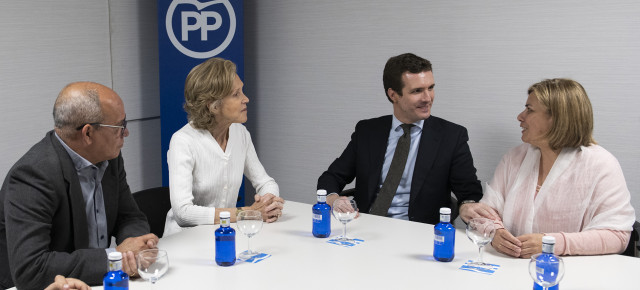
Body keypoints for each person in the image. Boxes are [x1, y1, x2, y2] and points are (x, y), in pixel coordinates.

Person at [0, 82, 159, 289]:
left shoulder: (110, 158)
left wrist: (134, 248)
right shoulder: (33, 175)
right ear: (88, 134)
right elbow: (32, 268)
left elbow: (129, 216)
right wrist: (115, 258)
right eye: (121, 126)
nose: (126, 133)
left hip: (95, 281)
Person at [317, 53, 498, 224]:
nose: (428, 98)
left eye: (431, 88)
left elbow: (470, 193)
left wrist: (467, 205)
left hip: (418, 234)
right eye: (417, 91)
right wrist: (332, 198)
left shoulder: (452, 136)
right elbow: (331, 177)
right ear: (393, 95)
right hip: (364, 226)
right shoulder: (368, 131)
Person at [481, 78, 636, 258]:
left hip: (573, 274)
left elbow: (617, 236)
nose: (520, 116)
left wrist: (552, 243)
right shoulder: (514, 158)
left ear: (557, 118)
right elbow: (485, 212)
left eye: (529, 110)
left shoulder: (601, 164)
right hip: (511, 268)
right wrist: (495, 233)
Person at [164, 57, 284, 237]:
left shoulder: (240, 133)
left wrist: (269, 202)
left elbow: (266, 182)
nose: (246, 99)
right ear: (213, 105)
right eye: (236, 94)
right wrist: (246, 213)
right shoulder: (183, 141)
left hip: (225, 234)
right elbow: (183, 213)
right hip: (185, 240)